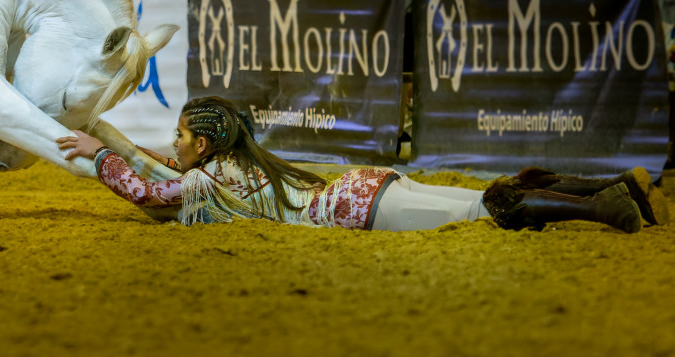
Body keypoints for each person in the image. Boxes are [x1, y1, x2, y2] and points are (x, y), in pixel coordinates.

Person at [56, 97, 652, 232]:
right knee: (479, 199)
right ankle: (613, 186)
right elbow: (162, 169)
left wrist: (102, 156)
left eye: (182, 135)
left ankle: (602, 207)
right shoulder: (228, 166)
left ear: (204, 147)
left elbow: (148, 190)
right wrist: (110, 143)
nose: (174, 143)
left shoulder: (201, 181)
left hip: (360, 208)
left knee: (482, 209)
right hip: (365, 188)